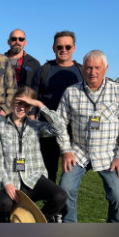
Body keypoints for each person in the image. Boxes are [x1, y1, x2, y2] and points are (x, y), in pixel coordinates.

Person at [57, 50, 119, 223]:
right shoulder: (71, 92)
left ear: (106, 68)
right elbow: (60, 124)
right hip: (79, 151)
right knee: (65, 189)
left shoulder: (118, 92)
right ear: (83, 69)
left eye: (97, 68)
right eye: (89, 67)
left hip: (109, 153)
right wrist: (66, 151)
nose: (93, 72)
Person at [0, 86, 68, 223]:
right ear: (12, 103)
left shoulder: (35, 126)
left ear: (31, 107)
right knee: (5, 210)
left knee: (60, 196)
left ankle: (38, 221)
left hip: (33, 178)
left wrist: (40, 105)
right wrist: (7, 183)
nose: (22, 108)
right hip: (12, 182)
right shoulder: (0, 128)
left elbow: (60, 128)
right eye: (19, 103)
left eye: (27, 105)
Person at [30, 30, 83, 183]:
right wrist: (32, 122)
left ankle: (65, 203)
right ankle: (51, 204)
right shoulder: (44, 70)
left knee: (70, 173)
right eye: (60, 47)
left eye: (67, 47)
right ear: (53, 48)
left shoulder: (81, 72)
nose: (63, 50)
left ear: (73, 48)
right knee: (48, 170)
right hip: (48, 128)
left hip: (74, 130)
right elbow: (33, 98)